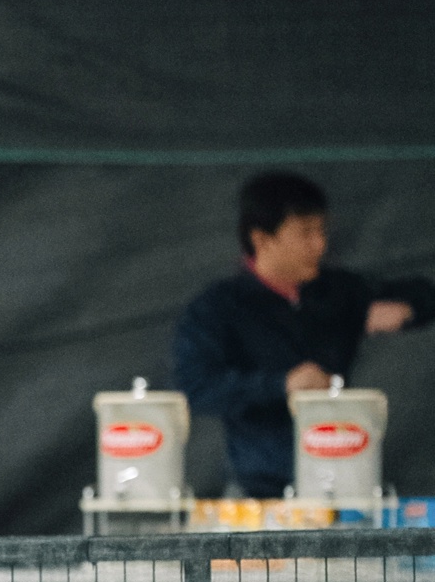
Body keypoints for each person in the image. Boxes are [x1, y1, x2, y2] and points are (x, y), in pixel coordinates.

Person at [174, 172, 435, 498]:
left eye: (322, 231)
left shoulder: (338, 290)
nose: (320, 245)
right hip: (258, 491)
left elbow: (425, 293)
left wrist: (407, 309)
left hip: (343, 480)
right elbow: (198, 387)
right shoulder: (218, 308)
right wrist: (281, 384)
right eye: (305, 233)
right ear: (262, 239)